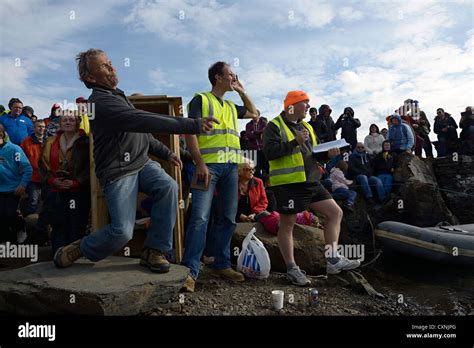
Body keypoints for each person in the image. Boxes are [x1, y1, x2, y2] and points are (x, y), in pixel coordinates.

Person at [53, 48, 218, 271]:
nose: (112, 67)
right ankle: (82, 248)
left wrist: (167, 153)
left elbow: (143, 135)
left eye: (110, 62)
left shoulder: (118, 96)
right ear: (90, 78)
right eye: (104, 65)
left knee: (168, 186)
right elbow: (141, 120)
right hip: (118, 171)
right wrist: (192, 124)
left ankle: (155, 250)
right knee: (121, 232)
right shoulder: (100, 103)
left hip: (141, 163)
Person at [263, 90, 360, 286]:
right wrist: (294, 142)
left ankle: (332, 260)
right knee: (287, 225)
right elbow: (270, 154)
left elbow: (313, 154)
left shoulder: (306, 125)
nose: (308, 107)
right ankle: (292, 268)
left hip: (311, 181)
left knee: (335, 213)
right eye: (305, 103)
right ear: (292, 105)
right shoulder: (273, 126)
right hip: (289, 184)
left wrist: (328, 156)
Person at [181, 61, 258, 293]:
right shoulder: (201, 100)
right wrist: (200, 163)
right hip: (208, 167)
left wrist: (243, 92)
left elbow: (254, 113)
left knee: (228, 218)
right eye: (230, 74)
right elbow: (190, 131)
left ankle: (221, 263)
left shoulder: (231, 107)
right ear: (217, 77)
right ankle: (189, 271)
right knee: (200, 218)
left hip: (230, 169)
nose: (234, 77)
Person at [39, 115, 91, 254]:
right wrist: (52, 180)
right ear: (60, 123)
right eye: (65, 120)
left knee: (76, 223)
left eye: (71, 120)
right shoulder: (51, 141)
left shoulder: (86, 142)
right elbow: (42, 165)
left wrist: (76, 182)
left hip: (78, 191)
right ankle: (58, 253)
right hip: (56, 190)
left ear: (78, 123)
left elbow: (90, 166)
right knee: (57, 222)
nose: (68, 122)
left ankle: (73, 254)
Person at [0, 125, 32, 243]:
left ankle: (20, 225)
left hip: (13, 188)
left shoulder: (14, 149)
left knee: (9, 214)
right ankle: (5, 242)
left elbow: (27, 169)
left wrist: (22, 185)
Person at [20, 120, 46, 216]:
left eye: (43, 126)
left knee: (46, 201)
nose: (41, 128)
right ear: (34, 128)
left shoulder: (49, 140)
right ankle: (27, 225)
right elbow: (21, 160)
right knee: (33, 201)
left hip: (46, 177)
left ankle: (43, 225)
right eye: (39, 126)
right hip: (32, 177)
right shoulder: (26, 142)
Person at [245, 111, 268, 180]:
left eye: (255, 114)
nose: (253, 116)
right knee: (256, 170)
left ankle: (268, 184)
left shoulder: (263, 123)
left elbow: (266, 133)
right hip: (254, 150)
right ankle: (261, 183)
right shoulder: (248, 125)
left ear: (258, 115)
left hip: (264, 149)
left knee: (267, 168)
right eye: (252, 115)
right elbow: (249, 135)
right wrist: (260, 132)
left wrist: (254, 133)